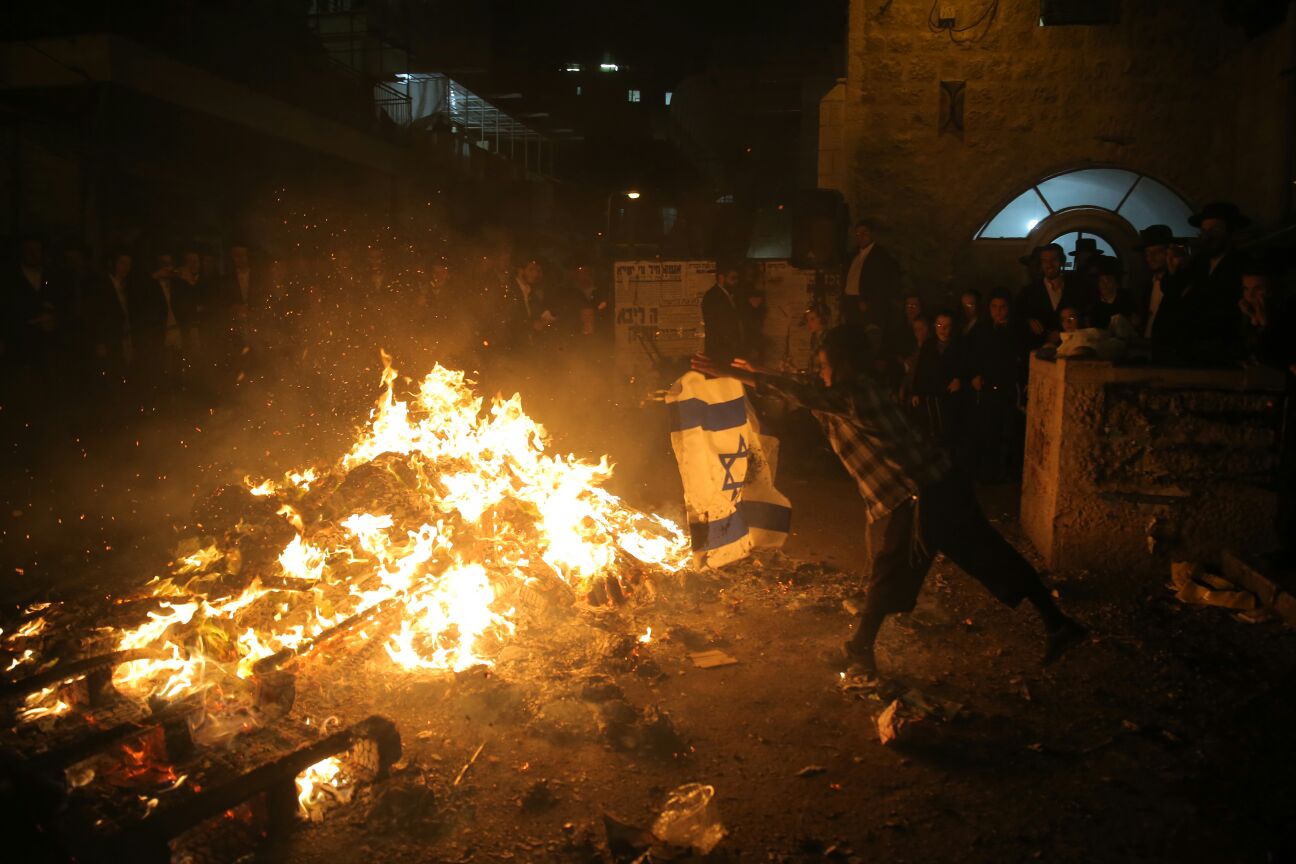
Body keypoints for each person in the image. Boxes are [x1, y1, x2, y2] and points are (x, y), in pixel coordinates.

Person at [692, 330, 1087, 677]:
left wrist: (737, 373)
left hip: (927, 492)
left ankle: (860, 649)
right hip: (934, 486)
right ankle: (1057, 624)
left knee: (900, 565)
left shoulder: (854, 394)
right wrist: (756, 369)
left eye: (827, 365)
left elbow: (803, 391)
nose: (822, 371)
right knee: (971, 555)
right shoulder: (852, 385)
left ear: (844, 365)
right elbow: (807, 383)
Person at [1176, 201, 1249, 362]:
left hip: (1225, 351)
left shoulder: (1242, 265)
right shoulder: (1198, 264)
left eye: (1215, 229)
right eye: (1204, 230)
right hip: (1191, 349)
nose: (1208, 236)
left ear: (1230, 232)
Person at [969, 290, 1028, 483]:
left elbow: (1020, 355)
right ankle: (988, 472)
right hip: (987, 388)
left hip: (1009, 387)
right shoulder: (981, 328)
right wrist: (975, 374)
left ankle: (1006, 473)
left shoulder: (1017, 329)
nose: (998, 311)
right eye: (994, 307)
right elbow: (973, 354)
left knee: (1008, 432)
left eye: (1002, 307)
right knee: (987, 430)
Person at [1016, 243, 1093, 349]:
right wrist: (1028, 321)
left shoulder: (1076, 289)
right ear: (1041, 264)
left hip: (1072, 350)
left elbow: (1084, 318)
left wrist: (1062, 333)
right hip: (1038, 352)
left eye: (1054, 259)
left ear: (1061, 261)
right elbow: (1016, 316)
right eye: (1044, 261)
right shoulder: (1029, 292)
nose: (1049, 264)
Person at [842, 218, 901, 329]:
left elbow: (882, 282)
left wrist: (868, 301)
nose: (861, 236)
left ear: (872, 234)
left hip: (865, 303)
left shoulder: (879, 255)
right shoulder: (853, 255)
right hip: (850, 301)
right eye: (858, 233)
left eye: (865, 232)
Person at [1136, 224, 1187, 340]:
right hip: (1149, 348)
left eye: (1157, 251)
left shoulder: (1181, 284)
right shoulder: (1149, 286)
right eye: (1147, 253)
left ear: (1169, 252)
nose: (1150, 257)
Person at [701, 261, 747, 364]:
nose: (736, 282)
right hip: (721, 351)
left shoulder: (727, 295)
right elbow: (720, 324)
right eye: (732, 278)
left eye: (737, 278)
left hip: (727, 350)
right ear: (721, 278)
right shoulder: (714, 296)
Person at [1089, 257, 1134, 330]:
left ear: (1116, 281)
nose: (1104, 284)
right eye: (1100, 280)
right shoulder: (1093, 303)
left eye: (1108, 279)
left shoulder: (1126, 299)